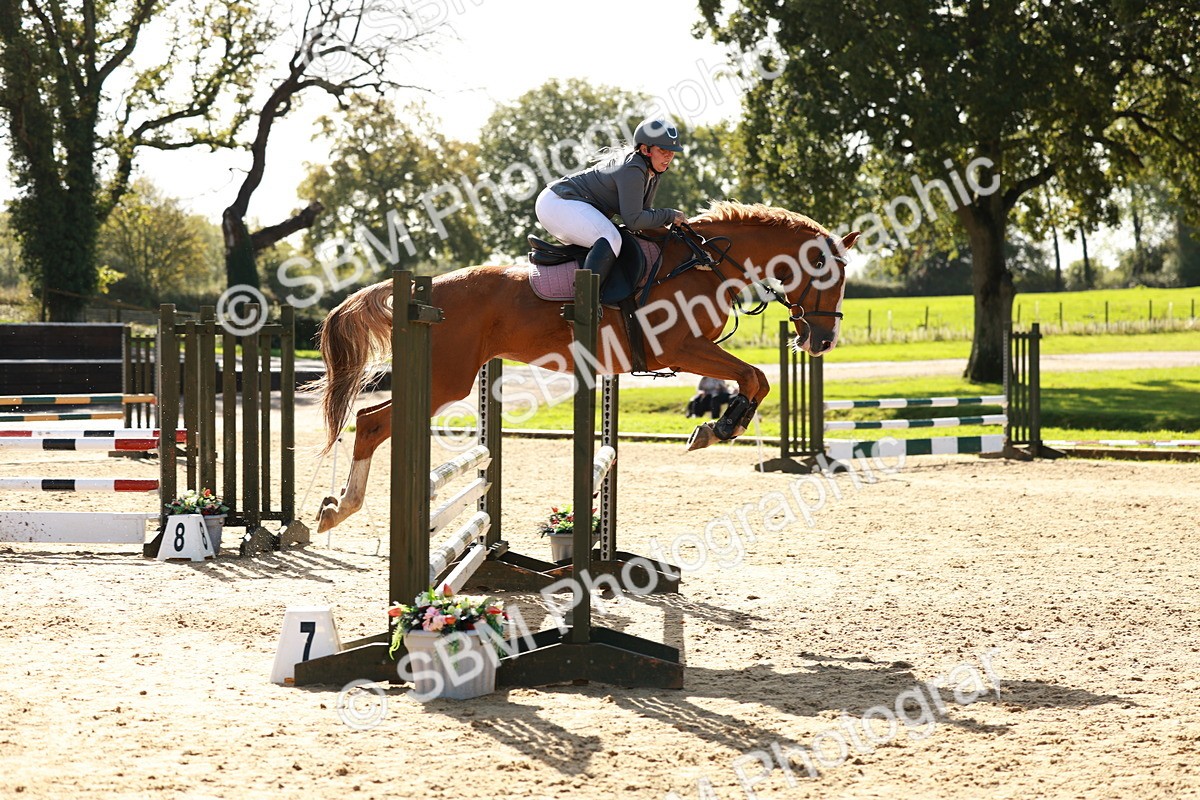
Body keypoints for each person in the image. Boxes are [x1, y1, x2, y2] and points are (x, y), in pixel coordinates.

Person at [534, 117, 688, 286]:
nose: (669, 156)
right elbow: (634, 221)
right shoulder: (633, 168)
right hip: (558, 202)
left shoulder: (652, 172)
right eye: (663, 150)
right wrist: (669, 215)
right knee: (610, 238)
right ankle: (584, 306)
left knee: (615, 240)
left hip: (566, 203)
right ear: (645, 149)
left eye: (672, 151)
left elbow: (644, 215)